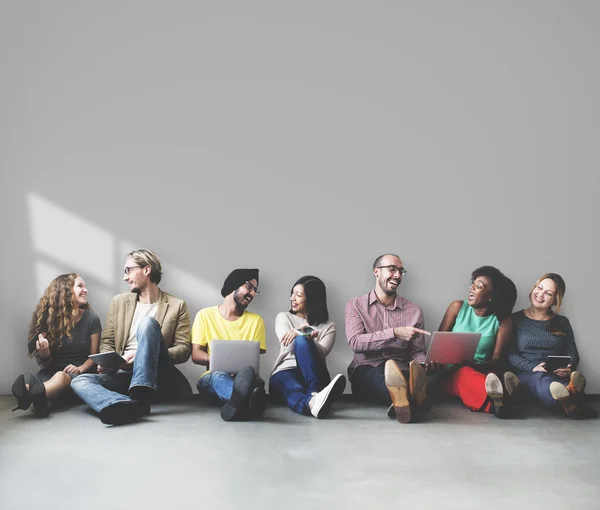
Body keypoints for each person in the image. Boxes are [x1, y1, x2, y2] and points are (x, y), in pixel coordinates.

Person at [71, 249, 191, 425]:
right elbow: (107, 342)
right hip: (124, 373)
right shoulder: (119, 302)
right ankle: (124, 404)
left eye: (128, 270)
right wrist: (109, 362)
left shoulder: (177, 305)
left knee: (148, 323)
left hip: (159, 374)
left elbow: (184, 349)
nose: (125, 277)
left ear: (146, 270)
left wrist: (145, 354)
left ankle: (140, 392)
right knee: (80, 381)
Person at [345, 254, 431, 423]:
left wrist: (423, 365)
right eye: (392, 269)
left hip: (402, 368)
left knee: (429, 378)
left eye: (400, 271)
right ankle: (412, 398)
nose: (397, 275)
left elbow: (417, 351)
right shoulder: (355, 305)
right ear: (376, 271)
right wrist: (395, 333)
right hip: (367, 368)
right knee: (382, 378)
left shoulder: (414, 310)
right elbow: (355, 342)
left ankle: (402, 401)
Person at [12, 273, 101, 417]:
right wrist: (44, 351)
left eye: (85, 286)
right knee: (43, 379)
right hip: (51, 373)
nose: (86, 290)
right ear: (66, 292)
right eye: (80, 286)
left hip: (80, 374)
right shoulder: (49, 322)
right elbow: (47, 364)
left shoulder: (91, 319)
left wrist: (79, 368)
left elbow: (94, 356)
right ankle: (39, 397)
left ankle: (28, 392)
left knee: (60, 377)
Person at [508, 273, 595, 419]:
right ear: (533, 288)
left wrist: (568, 368)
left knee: (560, 380)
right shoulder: (515, 319)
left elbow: (572, 353)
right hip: (527, 372)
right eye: (539, 288)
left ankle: (566, 393)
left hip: (554, 372)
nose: (540, 294)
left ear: (555, 300)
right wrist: (531, 367)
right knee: (540, 379)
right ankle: (570, 398)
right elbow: (509, 353)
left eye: (548, 293)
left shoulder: (562, 322)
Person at [438, 266, 518, 417]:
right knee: (465, 375)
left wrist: (473, 364)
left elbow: (496, 359)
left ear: (491, 296)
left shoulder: (502, 321)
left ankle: (499, 402)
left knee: (476, 375)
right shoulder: (457, 307)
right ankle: (503, 398)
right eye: (473, 283)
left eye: (479, 286)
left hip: (482, 370)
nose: (471, 288)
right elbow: (439, 344)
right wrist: (435, 363)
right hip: (449, 372)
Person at [191, 268, 267, 421]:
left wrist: (241, 372)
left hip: (242, 378)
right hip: (212, 379)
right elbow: (196, 354)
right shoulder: (205, 315)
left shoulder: (256, 321)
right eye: (249, 287)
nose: (252, 294)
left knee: (251, 381)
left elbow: (253, 361)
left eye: (255, 290)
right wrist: (217, 361)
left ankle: (235, 405)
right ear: (234, 285)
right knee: (218, 375)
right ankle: (245, 403)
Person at [270, 276, 346, 418]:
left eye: (298, 295)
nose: (292, 298)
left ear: (312, 299)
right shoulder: (283, 317)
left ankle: (314, 393)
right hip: (286, 371)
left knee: (303, 341)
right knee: (294, 389)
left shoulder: (329, 326)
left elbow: (322, 353)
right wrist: (301, 330)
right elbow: (288, 345)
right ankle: (313, 401)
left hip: (315, 373)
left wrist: (307, 334)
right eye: (292, 293)